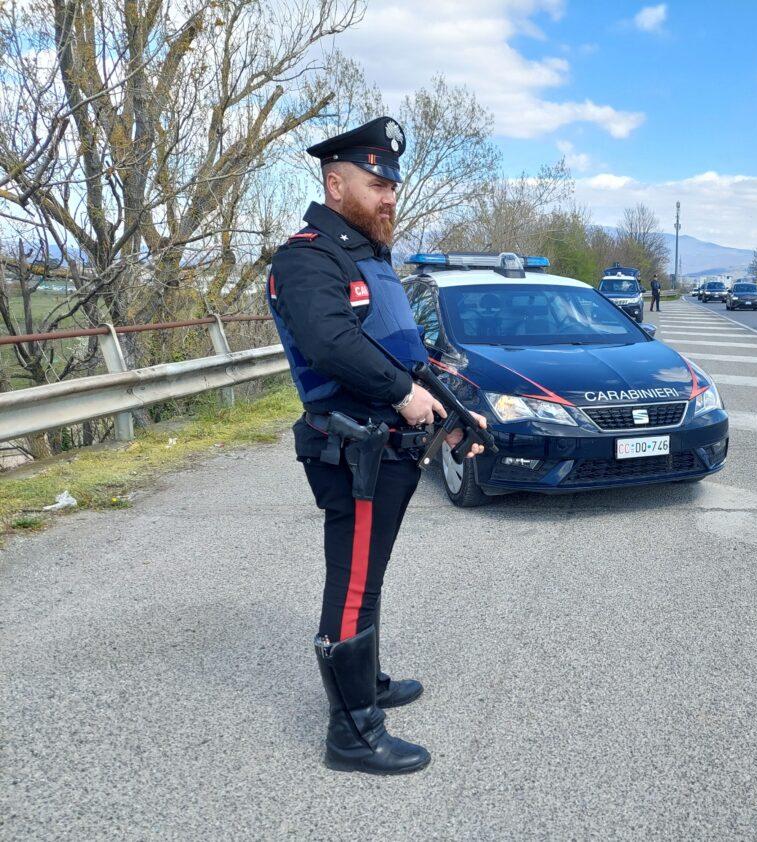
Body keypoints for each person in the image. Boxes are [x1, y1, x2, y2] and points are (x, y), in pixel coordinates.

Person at [267, 116, 486, 775]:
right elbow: (330, 343)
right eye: (376, 186)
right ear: (335, 186)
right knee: (353, 581)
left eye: (392, 187)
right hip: (353, 449)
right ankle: (353, 733)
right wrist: (401, 395)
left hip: (387, 447)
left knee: (368, 578)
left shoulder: (368, 257)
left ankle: (366, 682)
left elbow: (402, 353)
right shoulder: (307, 258)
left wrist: (452, 416)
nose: (389, 198)